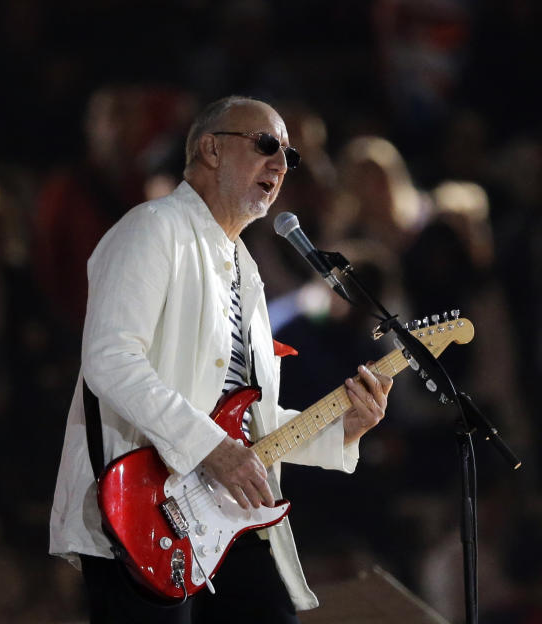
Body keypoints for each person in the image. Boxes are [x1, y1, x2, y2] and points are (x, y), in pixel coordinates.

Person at [49, 95, 394, 623]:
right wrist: (213, 448)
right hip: (144, 511)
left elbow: (246, 418)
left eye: (289, 156)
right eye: (266, 146)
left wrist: (341, 428)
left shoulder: (244, 268)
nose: (280, 165)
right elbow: (110, 359)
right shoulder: (153, 228)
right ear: (210, 149)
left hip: (224, 511)